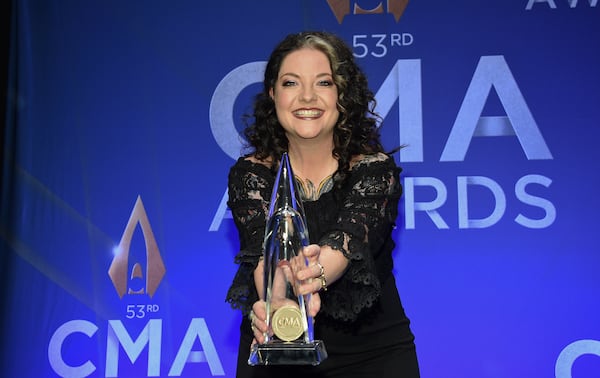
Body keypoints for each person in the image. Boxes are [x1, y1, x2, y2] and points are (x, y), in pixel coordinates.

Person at [226, 31, 420, 378]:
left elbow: (344, 245)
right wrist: (277, 306)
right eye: (290, 83)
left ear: (342, 93)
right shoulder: (250, 175)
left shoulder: (375, 171)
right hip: (279, 347)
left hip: (374, 356)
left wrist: (309, 278)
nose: (307, 97)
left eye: (324, 82)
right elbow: (261, 252)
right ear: (272, 93)